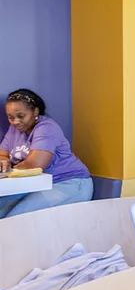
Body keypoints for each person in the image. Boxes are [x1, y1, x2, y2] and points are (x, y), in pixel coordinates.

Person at [0, 89, 93, 218]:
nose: (15, 122)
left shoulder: (46, 128)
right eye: (10, 117)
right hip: (35, 184)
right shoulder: (15, 129)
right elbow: (2, 154)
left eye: (21, 116)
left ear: (35, 112)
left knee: (16, 218)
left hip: (68, 183)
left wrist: (7, 170)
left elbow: (34, 165)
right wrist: (4, 160)